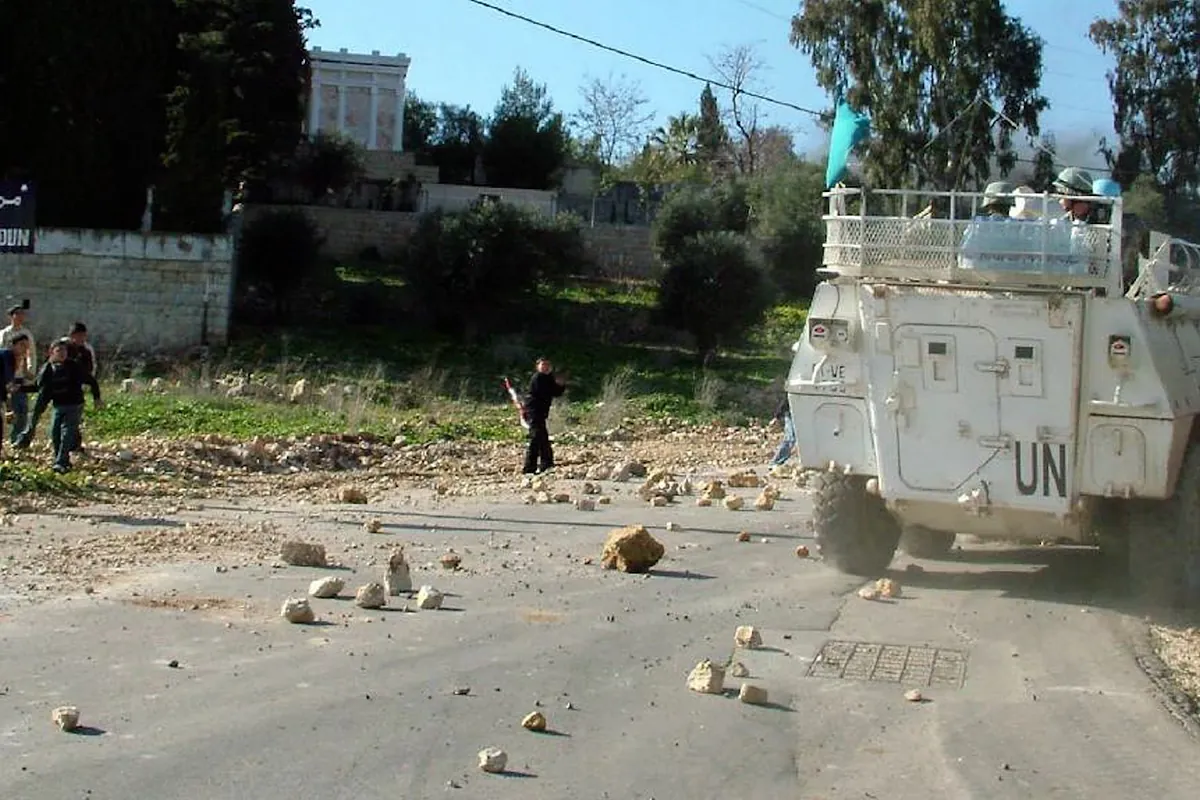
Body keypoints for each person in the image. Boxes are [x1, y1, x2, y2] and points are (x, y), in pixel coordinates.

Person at [15, 338, 102, 474]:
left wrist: (97, 398)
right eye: (59, 350)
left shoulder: (73, 366)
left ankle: (61, 462)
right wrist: (19, 388)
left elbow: (91, 381)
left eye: (64, 351)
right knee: (54, 432)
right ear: (51, 352)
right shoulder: (47, 369)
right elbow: (38, 387)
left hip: (74, 405)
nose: (62, 353)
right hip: (58, 406)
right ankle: (60, 459)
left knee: (66, 433)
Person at [522, 357, 567, 475]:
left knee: (542, 439)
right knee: (536, 438)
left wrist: (561, 385)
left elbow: (556, 392)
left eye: (547, 365)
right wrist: (556, 384)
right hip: (533, 411)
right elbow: (545, 391)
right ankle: (530, 468)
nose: (545, 367)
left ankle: (546, 465)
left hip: (541, 413)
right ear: (538, 367)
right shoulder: (538, 378)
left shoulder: (549, 378)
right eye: (543, 365)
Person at [0, 305, 36, 445]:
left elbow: (31, 355)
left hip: (18, 378)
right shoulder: (4, 335)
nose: (20, 317)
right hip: (6, 380)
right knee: (11, 409)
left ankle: (17, 440)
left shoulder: (26, 334)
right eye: (17, 314)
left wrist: (29, 372)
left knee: (22, 409)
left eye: (22, 314)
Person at [65, 322, 97, 454]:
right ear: (72, 336)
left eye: (83, 336)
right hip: (62, 388)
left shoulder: (86, 351)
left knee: (75, 418)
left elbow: (90, 370)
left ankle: (74, 444)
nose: (81, 339)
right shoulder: (64, 348)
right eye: (78, 336)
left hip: (77, 389)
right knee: (64, 418)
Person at [770, 392, 796, 466]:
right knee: (790, 439)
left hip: (797, 413)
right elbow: (787, 400)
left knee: (790, 439)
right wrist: (777, 416)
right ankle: (775, 462)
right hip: (791, 414)